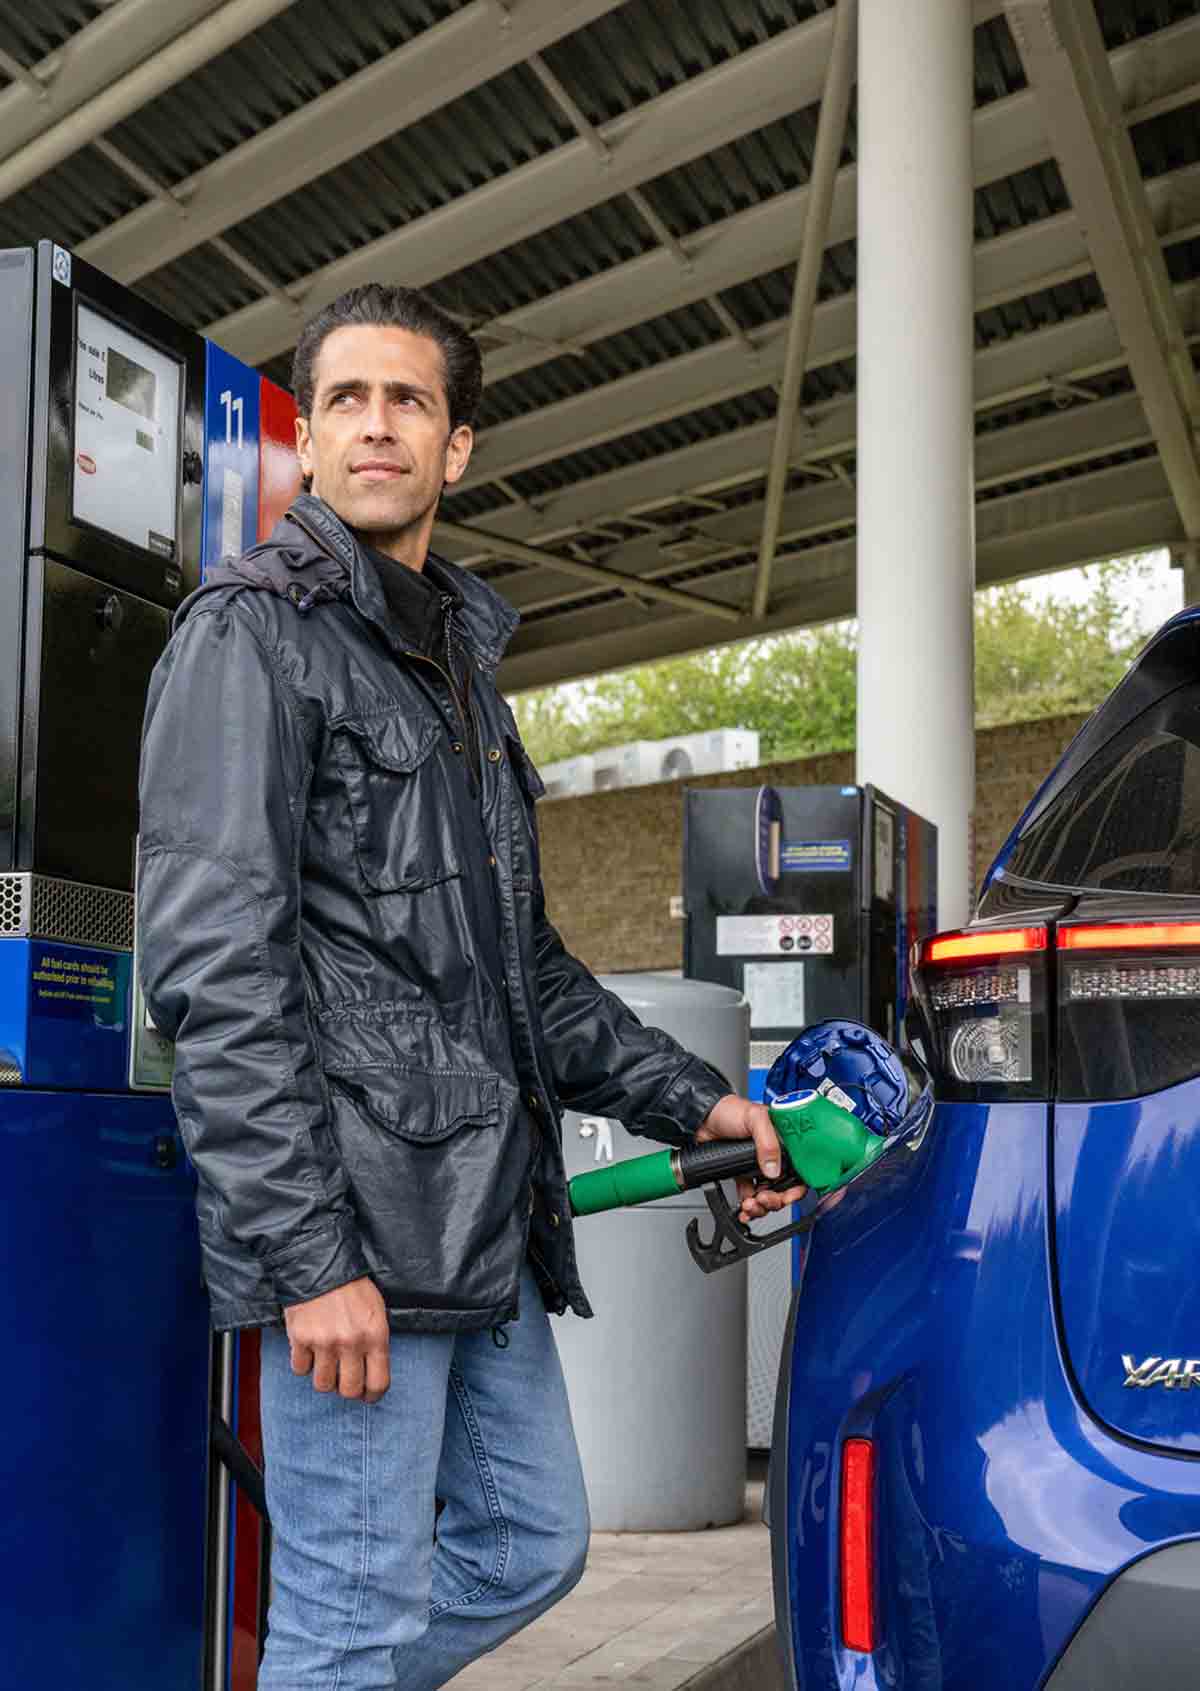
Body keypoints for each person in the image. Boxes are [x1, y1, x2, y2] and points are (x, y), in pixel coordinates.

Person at [137, 282, 803, 1690]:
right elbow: (215, 970)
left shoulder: (460, 677)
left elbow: (529, 973)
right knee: (352, 1613)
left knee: (528, 1541)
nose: (377, 427)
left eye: (411, 402)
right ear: (304, 442)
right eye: (348, 401)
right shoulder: (249, 635)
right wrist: (309, 1258)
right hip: (356, 1231)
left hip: (483, 1222)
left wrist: (700, 1102)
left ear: (458, 449)